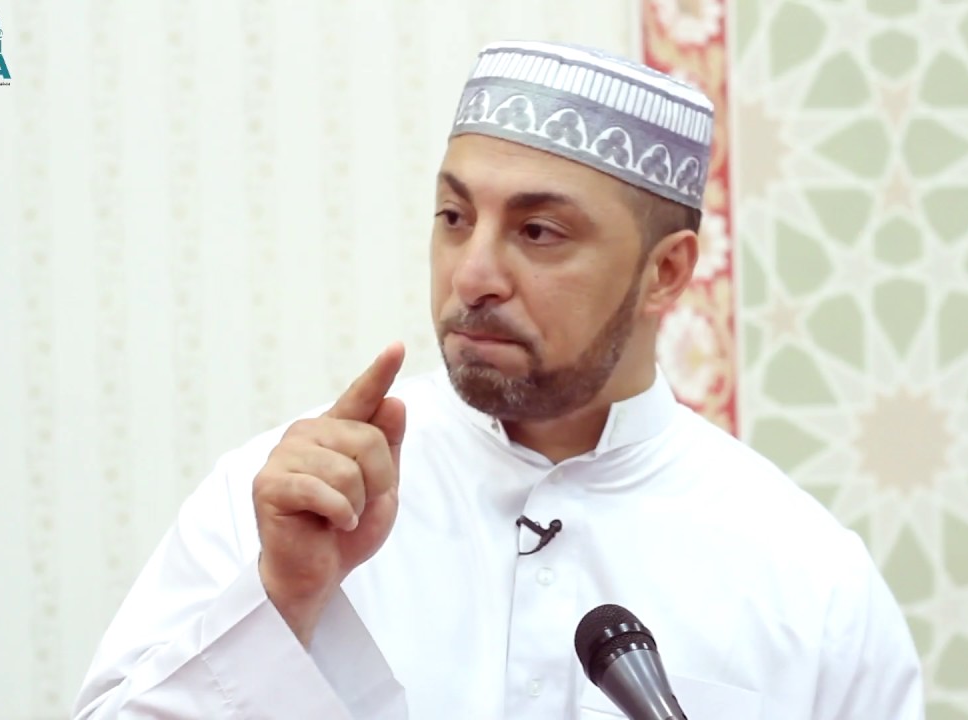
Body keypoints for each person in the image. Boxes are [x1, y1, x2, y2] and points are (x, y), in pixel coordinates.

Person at [72, 39, 923, 719]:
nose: (473, 273)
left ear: (665, 274)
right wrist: (283, 597)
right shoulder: (286, 505)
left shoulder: (807, 580)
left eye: (539, 232)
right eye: (454, 217)